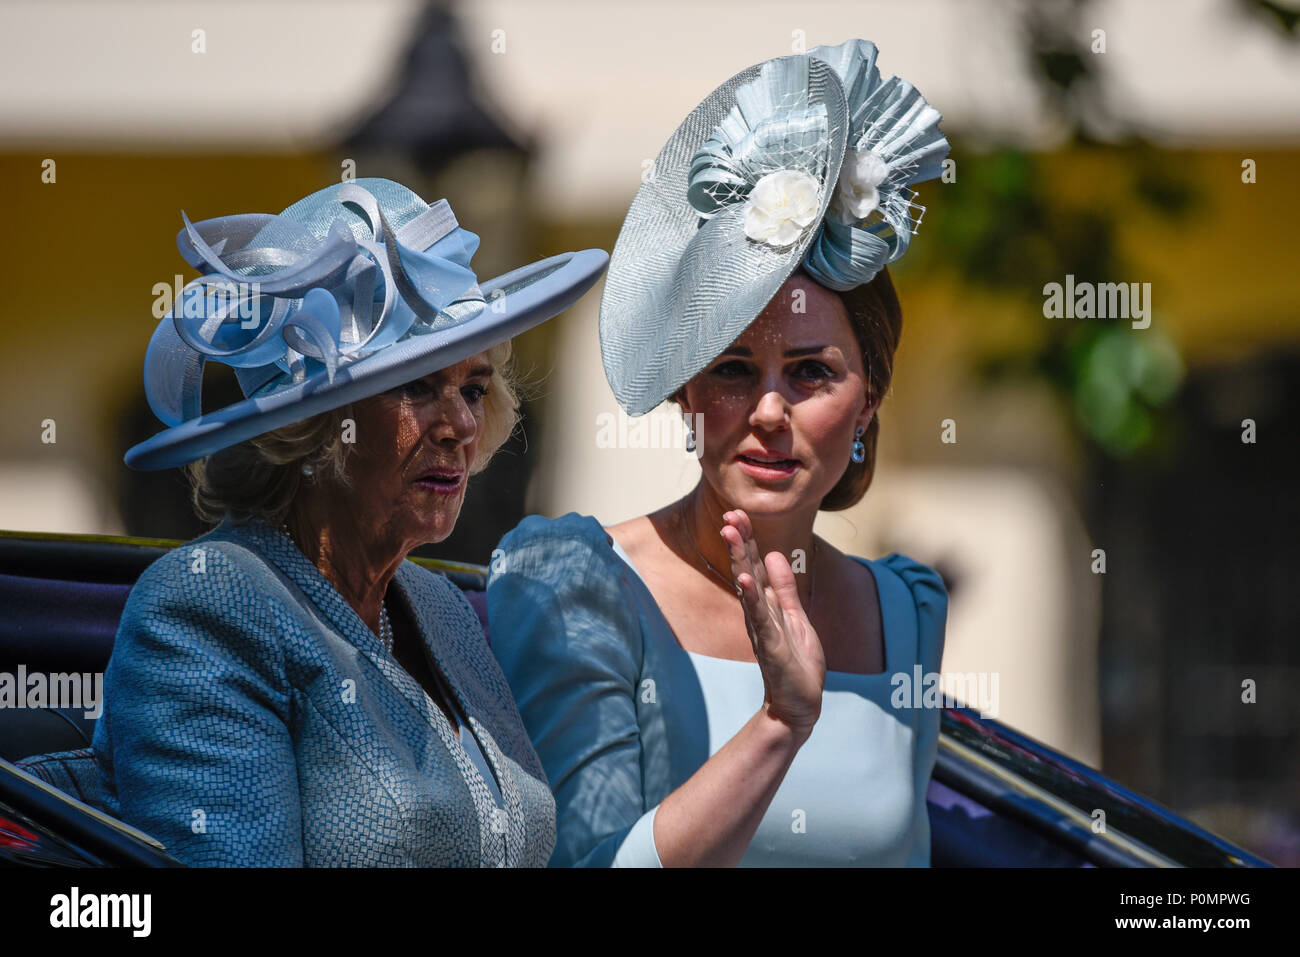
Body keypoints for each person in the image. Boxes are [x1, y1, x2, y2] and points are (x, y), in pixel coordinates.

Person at [24, 178, 608, 866]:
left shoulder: (439, 605)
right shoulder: (206, 604)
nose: (459, 423)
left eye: (473, 388)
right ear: (316, 424)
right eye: (418, 385)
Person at [487, 40, 951, 867]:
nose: (770, 409)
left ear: (869, 398)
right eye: (734, 370)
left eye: (812, 370)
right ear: (684, 392)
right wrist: (780, 723)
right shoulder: (571, 578)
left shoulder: (906, 611)